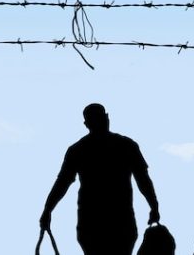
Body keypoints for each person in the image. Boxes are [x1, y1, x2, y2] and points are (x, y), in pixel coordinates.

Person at [40, 103, 161, 255]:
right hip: (119, 222)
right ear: (105, 118)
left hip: (93, 223)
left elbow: (62, 183)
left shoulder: (78, 149)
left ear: (87, 124)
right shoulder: (126, 145)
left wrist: (47, 210)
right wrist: (154, 206)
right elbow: (143, 180)